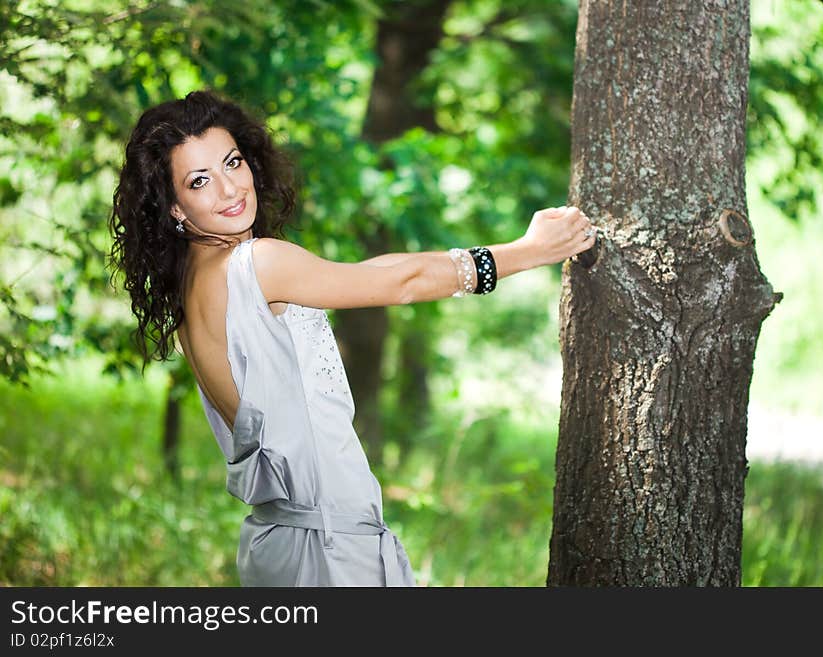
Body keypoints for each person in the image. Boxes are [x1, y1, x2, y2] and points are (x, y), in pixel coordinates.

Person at [108, 89, 598, 587]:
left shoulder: (192, 282)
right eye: (199, 181)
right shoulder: (257, 264)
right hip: (330, 554)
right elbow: (399, 282)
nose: (230, 189)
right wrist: (527, 251)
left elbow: (368, 272)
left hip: (277, 544)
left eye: (232, 163)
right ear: (173, 206)